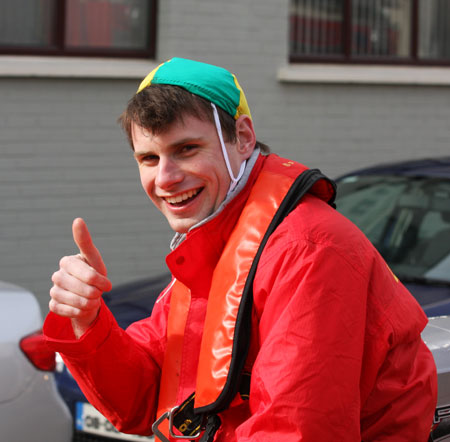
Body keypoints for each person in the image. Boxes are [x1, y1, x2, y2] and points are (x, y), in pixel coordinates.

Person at [44, 58, 437, 441]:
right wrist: (87, 320)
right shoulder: (220, 236)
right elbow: (145, 398)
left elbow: (297, 430)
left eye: (186, 149)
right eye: (149, 158)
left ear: (244, 138)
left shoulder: (307, 249)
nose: (165, 178)